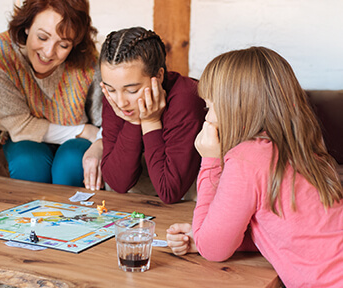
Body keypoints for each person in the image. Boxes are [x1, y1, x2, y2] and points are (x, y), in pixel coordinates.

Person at [166, 46, 343, 287]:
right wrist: (208, 234)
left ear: (238, 108)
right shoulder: (302, 147)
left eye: (211, 107)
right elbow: (282, 231)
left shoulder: (246, 158)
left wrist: (209, 161)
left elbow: (213, 250)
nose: (207, 119)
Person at [0, 0, 103, 187]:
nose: (48, 52)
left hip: (76, 145)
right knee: (28, 162)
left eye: (63, 45)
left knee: (72, 162)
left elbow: (104, 120)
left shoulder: (89, 61)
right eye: (42, 37)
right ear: (27, 26)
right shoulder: (2, 54)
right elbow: (19, 126)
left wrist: (98, 140)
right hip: (26, 139)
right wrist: (82, 131)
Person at [99, 27, 205, 203]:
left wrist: (150, 121)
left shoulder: (186, 99)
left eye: (132, 90)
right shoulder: (114, 99)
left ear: (159, 76)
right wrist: (134, 121)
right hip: (139, 208)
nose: (121, 101)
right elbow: (118, 183)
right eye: (110, 89)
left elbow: (170, 191)